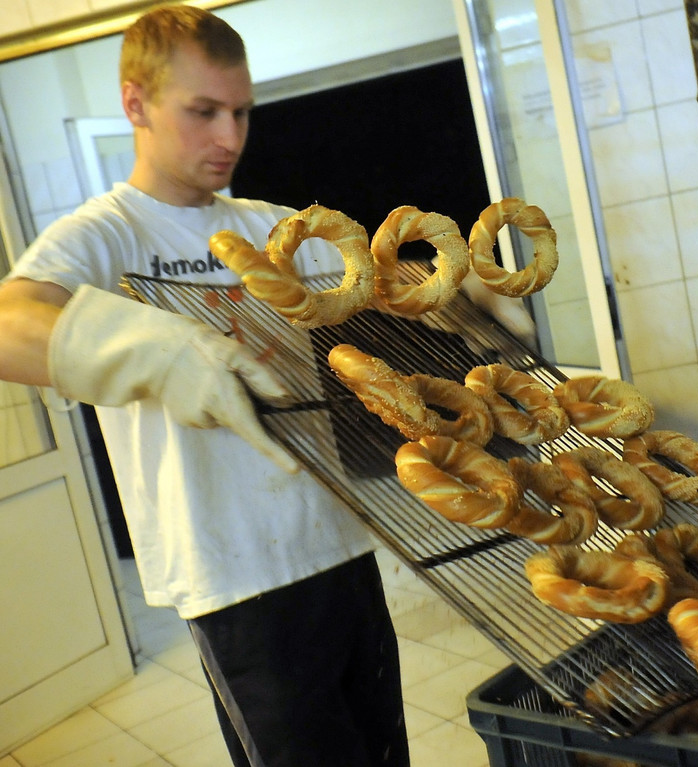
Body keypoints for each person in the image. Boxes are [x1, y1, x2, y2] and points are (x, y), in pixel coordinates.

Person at [0, 5, 532, 766]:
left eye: (242, 112)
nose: (229, 138)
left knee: (383, 755)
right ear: (135, 104)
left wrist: (463, 289)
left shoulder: (267, 226)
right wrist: (151, 347)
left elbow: (375, 280)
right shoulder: (106, 235)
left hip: (334, 537)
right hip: (234, 573)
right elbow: (8, 322)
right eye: (203, 111)